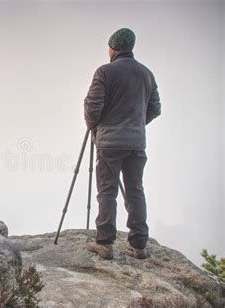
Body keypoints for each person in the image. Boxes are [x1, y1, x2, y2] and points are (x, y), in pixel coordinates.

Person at [84, 28, 161, 260]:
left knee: (107, 191)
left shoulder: (105, 72)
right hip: (136, 142)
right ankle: (139, 245)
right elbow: (155, 108)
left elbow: (92, 107)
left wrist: (95, 126)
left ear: (113, 48)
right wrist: (136, 123)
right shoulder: (146, 74)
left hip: (109, 141)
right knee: (135, 190)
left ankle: (105, 243)